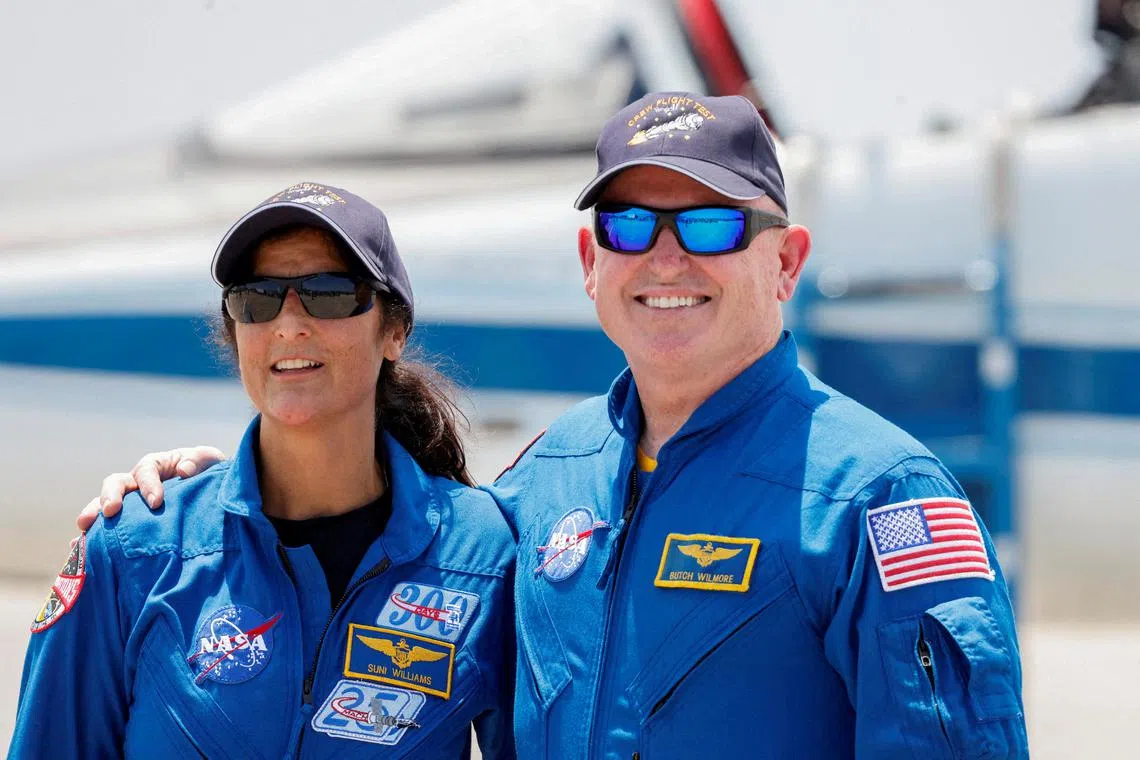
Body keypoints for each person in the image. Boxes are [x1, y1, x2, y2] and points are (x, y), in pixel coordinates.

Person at [79, 93, 1028, 758]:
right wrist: (199, 501)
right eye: (627, 228)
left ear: (786, 264)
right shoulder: (543, 486)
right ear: (590, 260)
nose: (664, 258)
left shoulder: (878, 497)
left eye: (707, 227)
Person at [13, 183, 516, 759]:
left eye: (329, 294)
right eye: (258, 298)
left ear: (395, 331)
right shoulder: (135, 550)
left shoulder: (485, 557)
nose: (289, 324)